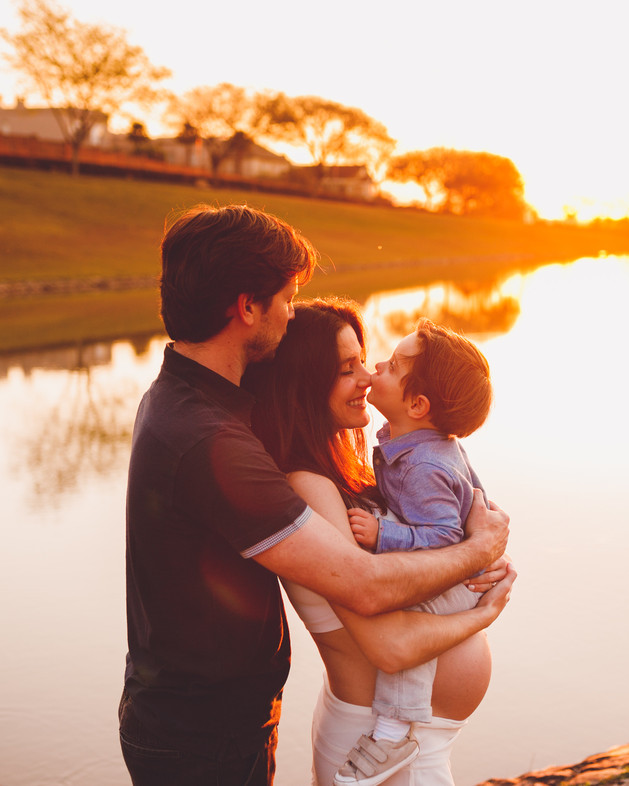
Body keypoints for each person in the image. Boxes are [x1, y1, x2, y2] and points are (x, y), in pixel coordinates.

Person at [121, 205, 510, 786]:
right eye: (285, 296)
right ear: (246, 307)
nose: (369, 377)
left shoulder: (210, 406)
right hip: (199, 732)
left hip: (229, 719)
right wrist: (481, 569)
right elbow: (370, 600)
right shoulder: (210, 439)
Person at [245, 298, 515, 786]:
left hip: (409, 739)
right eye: (347, 370)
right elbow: (390, 646)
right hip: (378, 744)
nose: (368, 378)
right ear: (306, 385)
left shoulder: (367, 466)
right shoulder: (309, 485)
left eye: (365, 362)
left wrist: (483, 546)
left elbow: (450, 522)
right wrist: (482, 610)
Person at [334, 318, 495, 786]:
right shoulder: (415, 444)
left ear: (418, 404)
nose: (377, 365)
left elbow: (444, 537)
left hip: (456, 578)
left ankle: (391, 734)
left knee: (408, 612)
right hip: (463, 570)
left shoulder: (424, 464)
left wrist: (386, 535)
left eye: (393, 364)